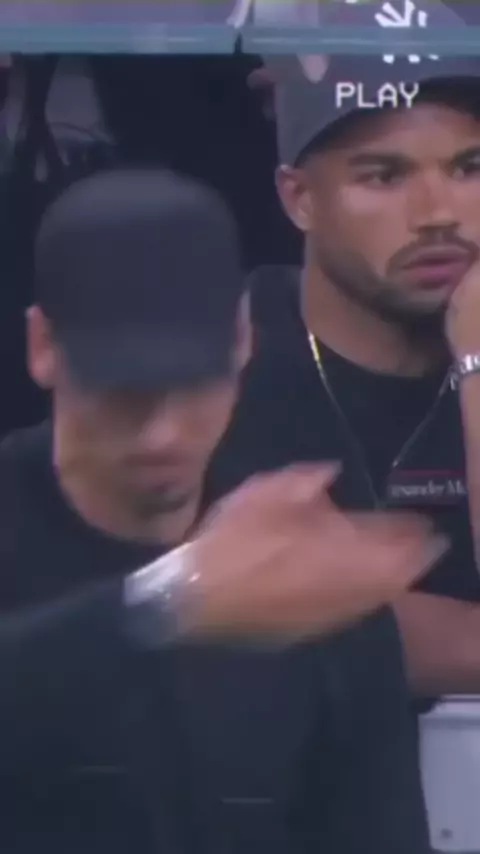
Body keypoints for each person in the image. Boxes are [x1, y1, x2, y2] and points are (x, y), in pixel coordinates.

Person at [0, 168, 438, 853]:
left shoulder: (305, 571)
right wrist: (169, 601)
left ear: (241, 340)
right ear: (42, 348)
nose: (162, 433)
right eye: (122, 390)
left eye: (192, 382)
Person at [209, 45, 480, 697]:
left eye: (470, 169)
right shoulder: (222, 358)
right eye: (384, 176)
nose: (438, 213)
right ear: (299, 198)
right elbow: (225, 629)